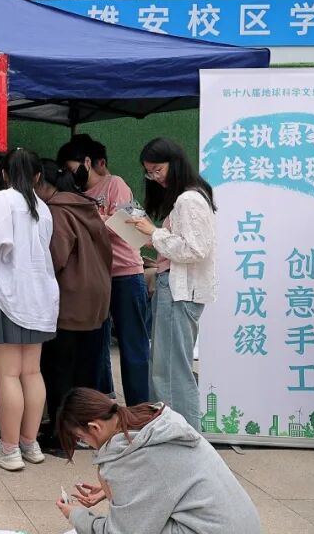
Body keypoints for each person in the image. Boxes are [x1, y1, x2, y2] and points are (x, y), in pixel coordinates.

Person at [0, 148, 58, 472]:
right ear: (37, 176)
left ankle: (9, 450)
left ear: (4, 174)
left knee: (7, 375)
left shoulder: (1, 199)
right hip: (39, 298)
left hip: (4, 295)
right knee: (31, 372)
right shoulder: (42, 207)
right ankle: (29, 444)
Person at [55, 388, 260, 534]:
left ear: (95, 427)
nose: (87, 445)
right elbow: (166, 480)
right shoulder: (151, 421)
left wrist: (76, 515)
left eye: (81, 439)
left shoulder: (133, 457)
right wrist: (122, 489)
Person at [127, 138, 216, 429]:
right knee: (167, 369)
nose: (154, 177)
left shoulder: (188, 199)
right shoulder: (189, 196)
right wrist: (152, 237)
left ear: (174, 163)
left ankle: (185, 438)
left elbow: (194, 249)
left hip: (179, 292)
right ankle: (172, 435)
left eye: (158, 169)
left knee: (171, 372)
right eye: (149, 172)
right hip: (176, 288)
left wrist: (154, 233)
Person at [60, 134, 151, 405]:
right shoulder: (76, 194)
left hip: (125, 274)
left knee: (132, 344)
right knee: (96, 346)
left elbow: (129, 226)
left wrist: (86, 217)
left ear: (88, 162)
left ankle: (139, 407)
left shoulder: (115, 184)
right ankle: (104, 403)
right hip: (95, 278)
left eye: (71, 168)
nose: (69, 174)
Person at [36, 160, 112, 442]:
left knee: (59, 367)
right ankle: (86, 428)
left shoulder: (56, 211)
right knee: (85, 368)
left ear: (43, 184)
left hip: (69, 298)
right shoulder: (86, 206)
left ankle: (62, 432)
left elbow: (55, 257)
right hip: (96, 296)